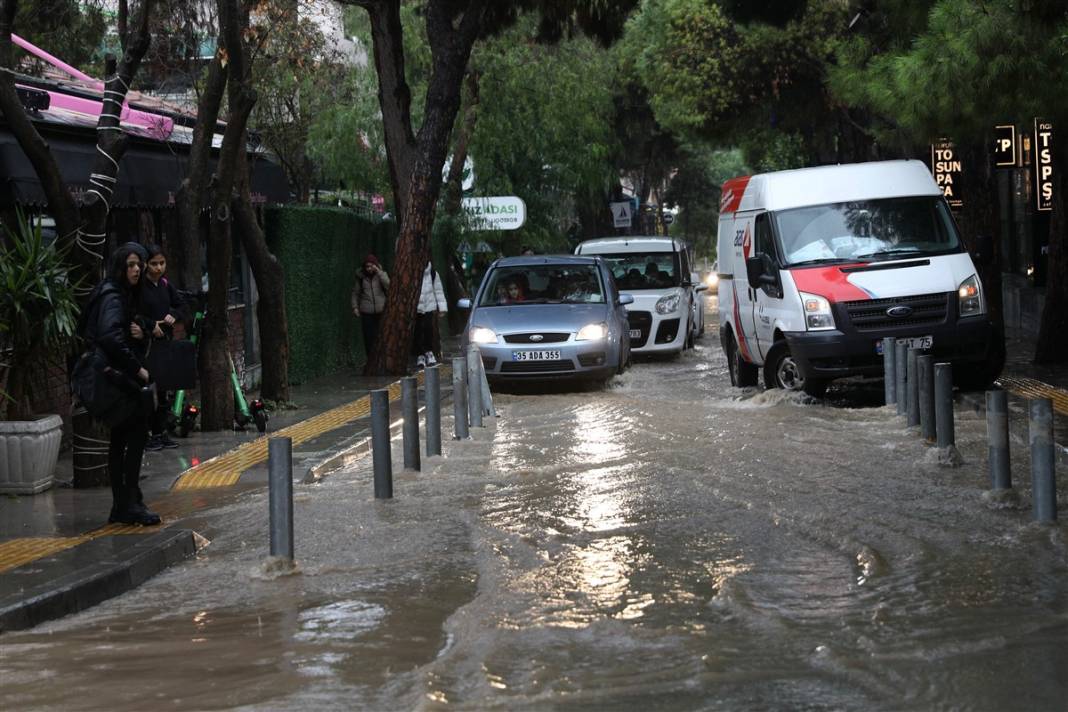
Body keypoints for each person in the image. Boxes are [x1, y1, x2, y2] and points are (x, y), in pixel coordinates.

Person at [82, 243, 160, 526]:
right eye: (130, 265)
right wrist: (138, 369)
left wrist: (140, 332)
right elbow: (110, 337)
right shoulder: (113, 296)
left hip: (111, 375)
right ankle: (129, 503)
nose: (137, 269)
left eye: (138, 264)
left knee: (121, 439)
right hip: (115, 378)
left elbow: (120, 331)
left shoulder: (115, 294)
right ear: (119, 267)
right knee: (134, 435)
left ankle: (123, 504)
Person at [139, 244, 185, 451]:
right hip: (146, 346)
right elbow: (134, 314)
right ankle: (147, 434)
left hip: (164, 343)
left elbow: (182, 305)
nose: (158, 268)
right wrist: (150, 326)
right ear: (146, 264)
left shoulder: (166, 285)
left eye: (161, 263)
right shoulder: (140, 287)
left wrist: (173, 314)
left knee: (164, 391)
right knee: (148, 391)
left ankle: (160, 432)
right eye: (154, 263)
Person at [351, 253, 390, 357]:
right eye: (367, 266)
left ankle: (383, 359)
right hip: (366, 311)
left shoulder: (381, 274)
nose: (368, 268)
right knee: (369, 338)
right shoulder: (361, 277)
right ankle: (371, 359)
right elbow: (355, 293)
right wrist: (355, 307)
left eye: (371, 266)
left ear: (375, 265)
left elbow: (389, 286)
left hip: (381, 310)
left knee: (382, 336)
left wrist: (379, 272)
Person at [413, 260, 448, 368]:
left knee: (429, 330)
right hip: (417, 308)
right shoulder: (413, 273)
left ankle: (429, 352)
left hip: (429, 306)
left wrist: (442, 307)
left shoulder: (433, 274)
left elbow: (438, 290)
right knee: (417, 332)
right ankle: (420, 355)